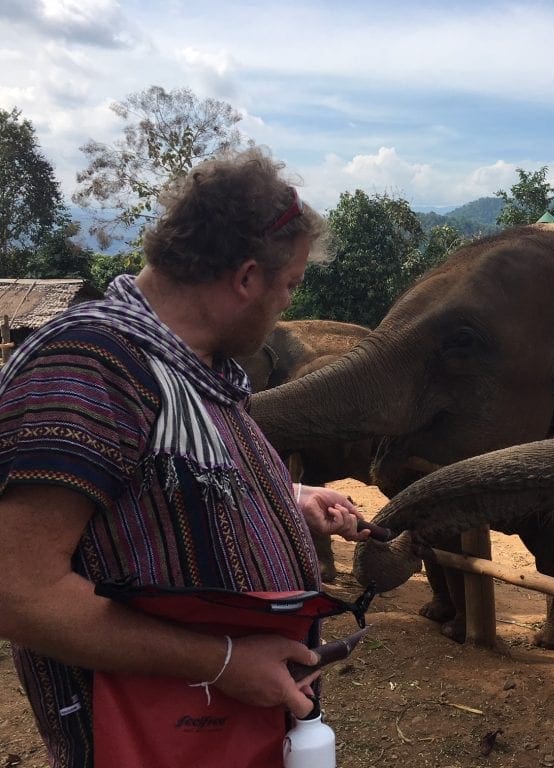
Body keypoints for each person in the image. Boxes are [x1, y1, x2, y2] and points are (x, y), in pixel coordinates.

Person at [0, 147, 370, 768]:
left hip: (217, 731)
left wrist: (289, 501)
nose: (286, 303)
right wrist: (222, 661)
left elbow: (158, 491)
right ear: (247, 277)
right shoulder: (91, 367)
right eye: (289, 285)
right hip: (144, 737)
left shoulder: (197, 374)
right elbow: (16, 590)